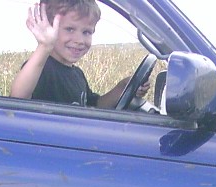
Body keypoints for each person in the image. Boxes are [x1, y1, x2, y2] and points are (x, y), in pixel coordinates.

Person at [10, 0, 148, 108]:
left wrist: (122, 87)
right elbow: (17, 99)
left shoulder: (77, 74)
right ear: (49, 28)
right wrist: (44, 46)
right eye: (70, 29)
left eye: (86, 32)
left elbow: (94, 106)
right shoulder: (41, 68)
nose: (79, 40)